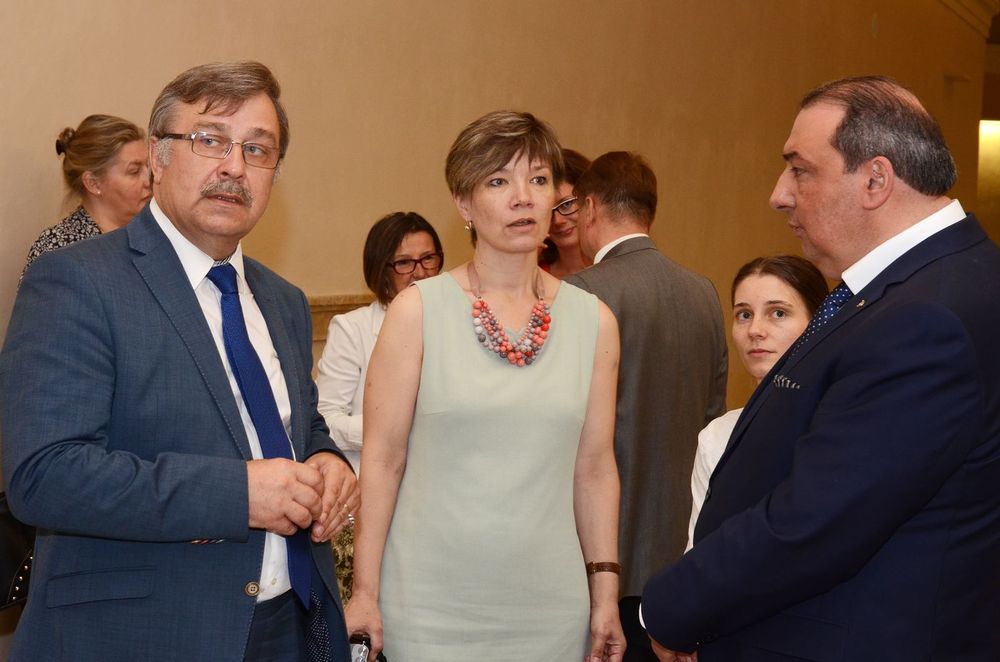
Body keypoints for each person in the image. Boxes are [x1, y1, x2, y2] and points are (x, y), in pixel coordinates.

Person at [1, 61, 358, 661]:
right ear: (157, 156)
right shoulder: (75, 281)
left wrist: (327, 460)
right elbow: (44, 475)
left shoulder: (283, 301)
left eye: (257, 150)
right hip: (145, 634)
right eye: (210, 140)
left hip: (292, 623)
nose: (234, 166)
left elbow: (299, 425)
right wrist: (238, 493)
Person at [641, 76, 1000, 660]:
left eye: (799, 170)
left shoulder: (927, 315)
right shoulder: (914, 287)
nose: (779, 195)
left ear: (875, 180)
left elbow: (819, 520)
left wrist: (667, 609)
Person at [345, 110, 625, 661]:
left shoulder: (595, 321)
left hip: (549, 603)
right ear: (464, 204)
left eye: (538, 179)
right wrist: (364, 594)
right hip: (427, 603)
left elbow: (594, 469)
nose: (522, 197)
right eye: (499, 181)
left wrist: (606, 593)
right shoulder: (417, 311)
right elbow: (383, 460)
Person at [565, 151, 728, 597]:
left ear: (590, 207)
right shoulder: (704, 293)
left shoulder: (582, 292)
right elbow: (712, 421)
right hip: (681, 543)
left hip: (600, 546)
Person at [686, 256, 827, 551]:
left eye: (778, 313)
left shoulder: (841, 424)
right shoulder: (718, 435)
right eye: (744, 315)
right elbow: (698, 552)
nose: (755, 330)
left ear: (818, 323)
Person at [316, 211, 443, 473]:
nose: (420, 272)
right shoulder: (352, 329)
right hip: (377, 474)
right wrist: (399, 429)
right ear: (381, 271)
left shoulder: (460, 321)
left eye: (428, 259)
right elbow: (326, 419)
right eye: (404, 263)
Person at [22, 114, 151, 278]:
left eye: (149, 167)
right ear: (93, 183)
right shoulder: (58, 250)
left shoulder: (152, 231)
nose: (149, 180)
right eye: (134, 171)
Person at [540, 148, 592, 277]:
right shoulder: (536, 276)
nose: (558, 221)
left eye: (566, 204)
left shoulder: (618, 268)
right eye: (547, 211)